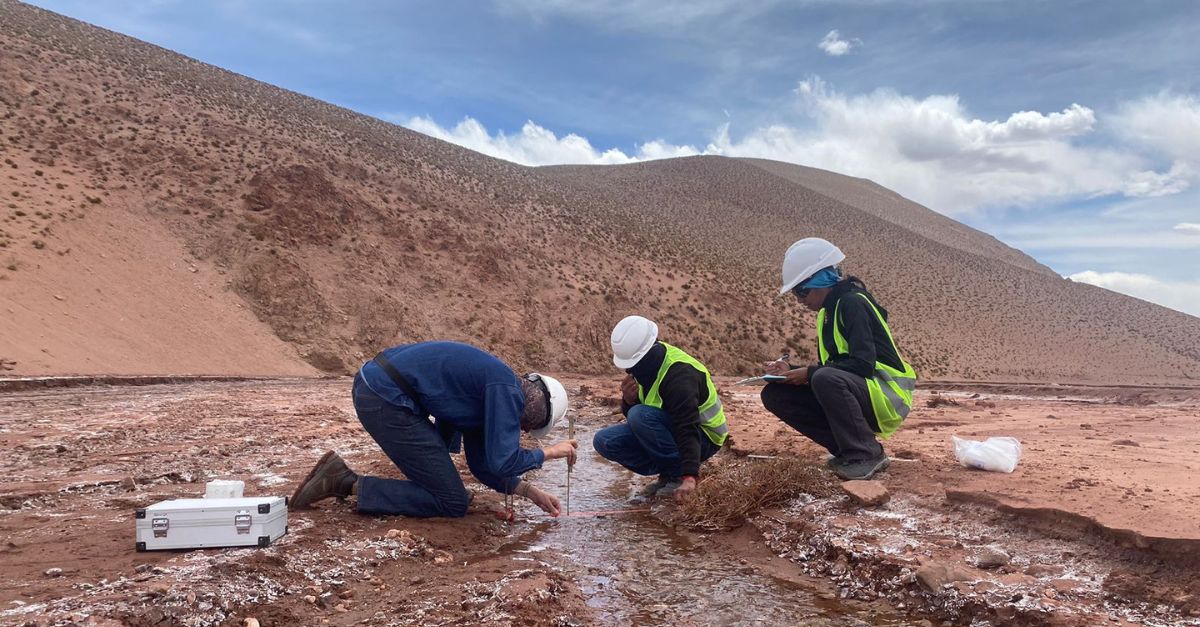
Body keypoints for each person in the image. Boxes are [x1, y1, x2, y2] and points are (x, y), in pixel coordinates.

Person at [291, 341, 577, 517]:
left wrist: (530, 492)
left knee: (450, 492)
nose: (525, 430)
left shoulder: (492, 395)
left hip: (380, 390)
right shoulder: (505, 389)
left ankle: (345, 480)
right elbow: (503, 460)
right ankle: (342, 481)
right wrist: (550, 452)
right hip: (385, 397)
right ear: (539, 405)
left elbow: (483, 465)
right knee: (453, 503)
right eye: (533, 425)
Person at [761, 238, 917, 481]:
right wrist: (791, 371)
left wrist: (810, 374)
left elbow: (862, 365)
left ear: (821, 280)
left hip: (888, 396)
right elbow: (835, 368)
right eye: (795, 293)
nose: (800, 300)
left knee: (823, 377)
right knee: (774, 394)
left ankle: (866, 453)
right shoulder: (828, 312)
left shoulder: (852, 303)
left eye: (802, 291)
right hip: (863, 391)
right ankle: (847, 451)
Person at [593, 315, 727, 501]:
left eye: (632, 365)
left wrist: (689, 476)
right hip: (670, 430)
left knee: (639, 415)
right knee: (604, 440)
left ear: (647, 353)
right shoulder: (645, 368)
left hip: (704, 438)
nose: (629, 372)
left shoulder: (680, 375)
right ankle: (668, 472)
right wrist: (629, 401)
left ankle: (677, 474)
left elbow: (687, 425)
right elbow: (649, 415)